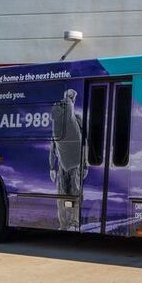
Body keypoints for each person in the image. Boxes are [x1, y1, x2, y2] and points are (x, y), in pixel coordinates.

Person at [49, 88, 85, 230]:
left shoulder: (60, 122)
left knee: (63, 195)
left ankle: (68, 223)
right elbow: (84, 144)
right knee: (73, 194)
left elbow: (53, 145)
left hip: (66, 164)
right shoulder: (74, 119)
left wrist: (52, 166)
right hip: (73, 163)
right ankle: (70, 223)